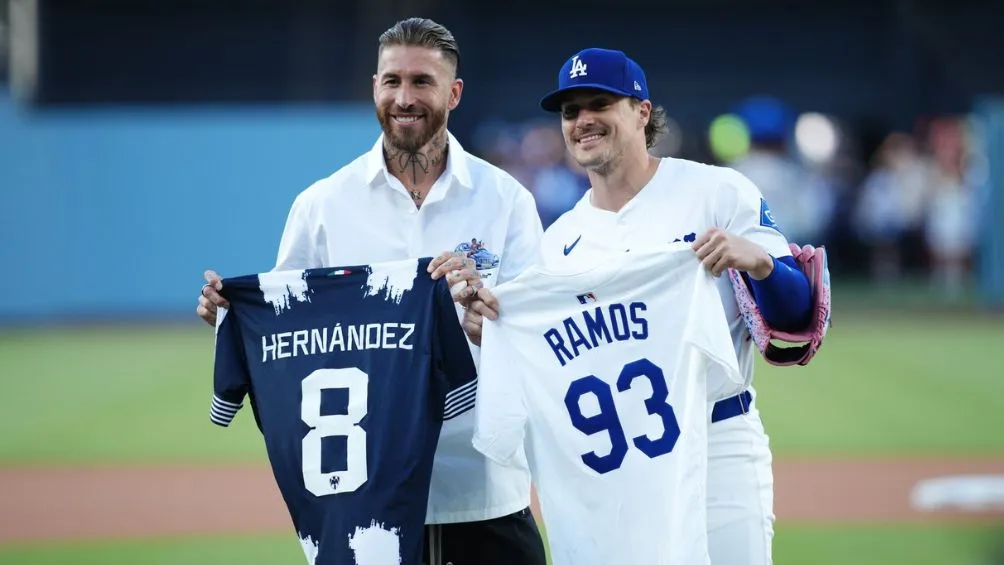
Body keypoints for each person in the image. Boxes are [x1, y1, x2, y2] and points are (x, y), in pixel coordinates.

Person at [196, 17, 547, 565]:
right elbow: (289, 333)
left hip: (483, 490)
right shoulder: (322, 206)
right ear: (374, 88)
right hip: (364, 501)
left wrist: (490, 319)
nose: (404, 97)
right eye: (392, 81)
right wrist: (228, 316)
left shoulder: (506, 201)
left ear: (453, 93)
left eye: (422, 82)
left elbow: (541, 332)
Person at [463, 47, 815, 565]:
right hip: (615, 462)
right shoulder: (557, 244)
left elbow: (797, 313)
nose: (582, 120)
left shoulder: (716, 191)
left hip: (719, 442)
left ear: (641, 111)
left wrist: (760, 263)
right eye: (569, 111)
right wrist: (489, 329)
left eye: (599, 103)